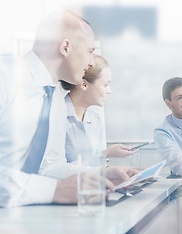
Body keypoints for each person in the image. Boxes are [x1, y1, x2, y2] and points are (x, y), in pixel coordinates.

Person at [0, 11, 134, 208]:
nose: (91, 62)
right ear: (65, 47)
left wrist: (99, 175)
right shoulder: (5, 76)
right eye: (90, 51)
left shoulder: (55, 100)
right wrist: (55, 190)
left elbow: (48, 166)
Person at [61, 54, 138, 163]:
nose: (109, 91)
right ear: (84, 84)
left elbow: (98, 168)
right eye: (105, 85)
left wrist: (119, 174)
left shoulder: (95, 120)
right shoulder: (56, 118)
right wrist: (106, 154)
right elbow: (54, 169)